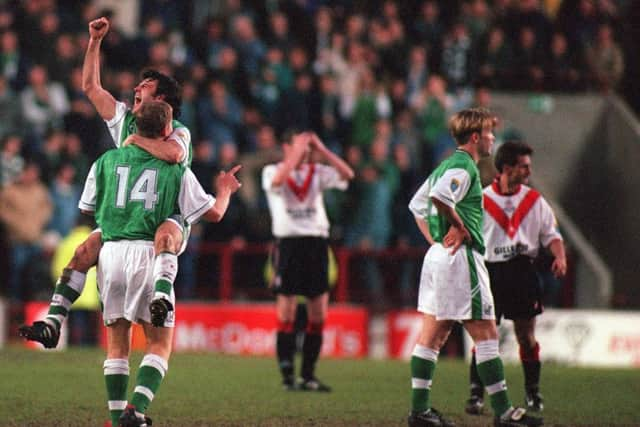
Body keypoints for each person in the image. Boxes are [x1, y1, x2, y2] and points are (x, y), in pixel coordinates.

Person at [19, 16, 192, 348]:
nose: (136, 89)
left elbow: (173, 155)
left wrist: (134, 142)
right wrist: (94, 42)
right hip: (128, 213)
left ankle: (162, 297)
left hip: (163, 213)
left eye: (146, 87)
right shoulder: (126, 119)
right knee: (83, 251)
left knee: (165, 236)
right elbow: (90, 88)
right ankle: (53, 322)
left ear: (163, 102)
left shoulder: (179, 131)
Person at [78, 100, 241, 427]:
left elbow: (87, 209)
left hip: (111, 254)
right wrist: (224, 191)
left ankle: (116, 417)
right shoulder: (175, 169)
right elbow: (214, 213)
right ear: (169, 131)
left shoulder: (108, 159)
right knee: (159, 343)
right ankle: (134, 409)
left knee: (117, 344)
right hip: (150, 255)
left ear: (135, 127)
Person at [406, 108, 543, 427]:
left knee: (432, 336)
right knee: (486, 333)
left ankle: (419, 411)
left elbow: (417, 204)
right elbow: (440, 199)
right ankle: (505, 413)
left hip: (440, 257)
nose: (493, 138)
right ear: (475, 137)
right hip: (461, 258)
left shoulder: (444, 166)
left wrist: (435, 240)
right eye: (489, 132)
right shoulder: (464, 166)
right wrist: (459, 226)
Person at [465, 140, 566, 415]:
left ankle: (533, 393)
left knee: (526, 337)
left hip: (522, 271)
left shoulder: (534, 201)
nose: (528, 172)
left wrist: (560, 256)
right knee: (485, 338)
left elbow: (552, 235)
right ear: (507, 168)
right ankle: (476, 393)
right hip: (490, 272)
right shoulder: (482, 199)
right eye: (524, 167)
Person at [262, 131, 354, 391]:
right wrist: (295, 153)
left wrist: (322, 150)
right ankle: (288, 376)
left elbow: (348, 175)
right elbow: (279, 181)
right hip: (289, 244)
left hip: (316, 243)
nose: (304, 150)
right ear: (286, 147)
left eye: (306, 147)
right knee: (287, 312)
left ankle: (309, 375)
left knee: (319, 313)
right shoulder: (272, 170)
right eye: (299, 145)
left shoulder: (317, 171)